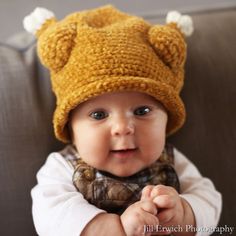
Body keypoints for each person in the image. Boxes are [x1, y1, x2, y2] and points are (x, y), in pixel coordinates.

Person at [23, 5, 222, 236]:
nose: (123, 128)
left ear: (167, 119)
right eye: (99, 115)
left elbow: (209, 200)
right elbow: (53, 219)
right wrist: (118, 229)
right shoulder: (62, 168)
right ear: (70, 125)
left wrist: (184, 214)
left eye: (142, 110)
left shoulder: (171, 161)